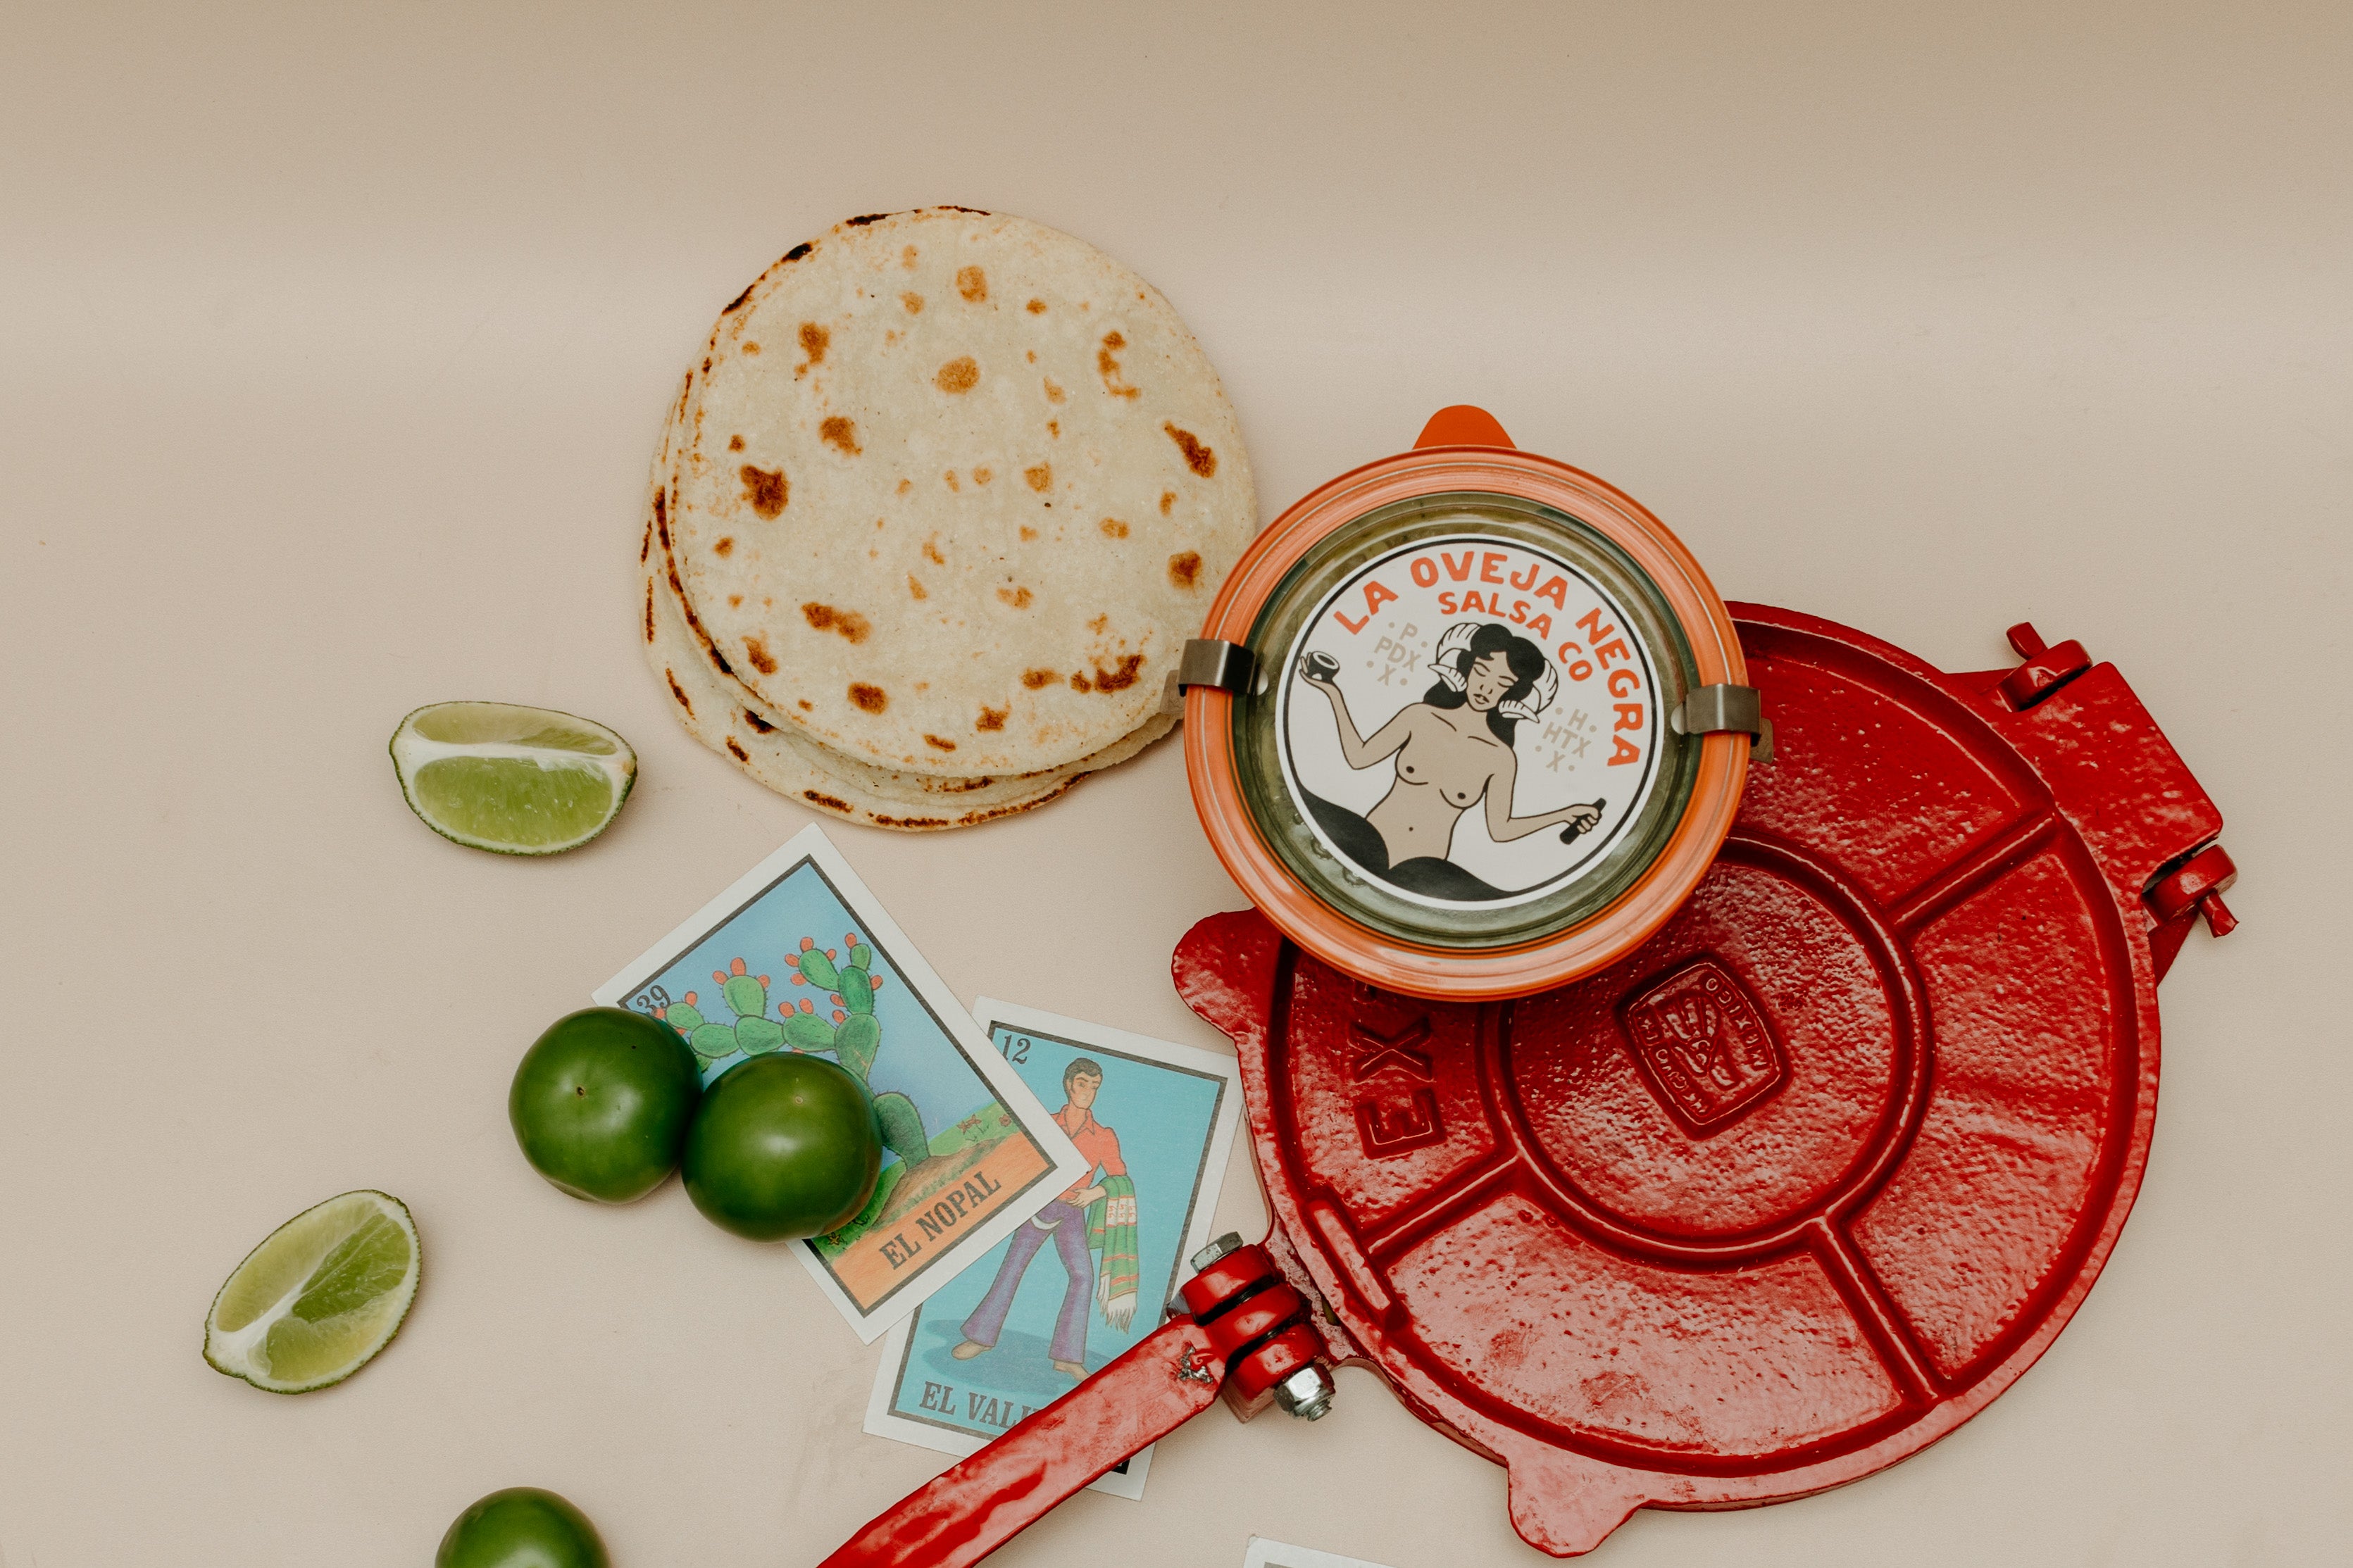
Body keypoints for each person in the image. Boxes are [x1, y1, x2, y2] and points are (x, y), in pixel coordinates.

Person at [1295, 620, 1603, 901]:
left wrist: (1564, 814)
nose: (1486, 688)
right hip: (1364, 844)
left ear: (1514, 694)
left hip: (1423, 874)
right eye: (1482, 672)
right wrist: (1333, 693)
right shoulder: (1421, 715)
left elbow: (1500, 829)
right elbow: (1359, 757)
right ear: (1467, 667)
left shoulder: (1501, 757)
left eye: (1502, 683)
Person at [953, 1058, 1126, 1380]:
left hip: (1073, 1212)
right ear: (1068, 1084)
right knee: (1013, 1266)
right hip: (1040, 1207)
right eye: (1082, 1083)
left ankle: (1068, 1356)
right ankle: (980, 1337)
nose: (1088, 1092)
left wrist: (1095, 1193)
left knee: (1083, 1276)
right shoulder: (1045, 1123)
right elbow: (1020, 1163)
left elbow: (1119, 1178)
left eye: (1095, 1086)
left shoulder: (1104, 1135)